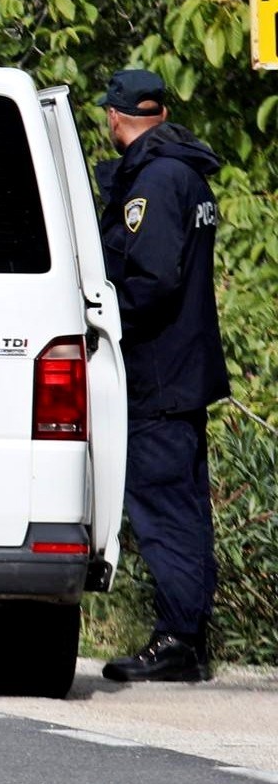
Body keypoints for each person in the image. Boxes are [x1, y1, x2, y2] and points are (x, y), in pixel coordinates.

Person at [94, 69, 230, 684]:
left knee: (164, 509)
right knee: (184, 507)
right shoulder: (186, 172)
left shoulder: (155, 180)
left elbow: (149, 282)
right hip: (184, 370)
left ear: (116, 118)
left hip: (158, 374)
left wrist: (91, 319)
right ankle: (190, 638)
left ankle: (178, 639)